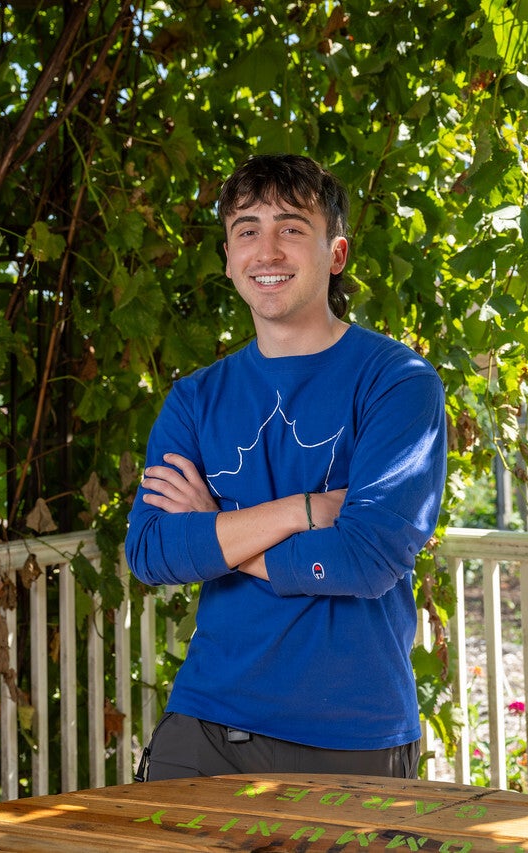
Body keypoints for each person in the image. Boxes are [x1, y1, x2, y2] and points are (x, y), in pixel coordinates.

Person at [124, 153, 447, 781]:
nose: (266, 249)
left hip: (353, 731)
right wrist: (304, 510)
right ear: (227, 257)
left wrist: (218, 531)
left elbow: (368, 558)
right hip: (206, 726)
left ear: (337, 254)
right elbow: (152, 551)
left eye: (292, 228)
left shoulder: (397, 384)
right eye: (246, 229)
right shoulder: (196, 398)